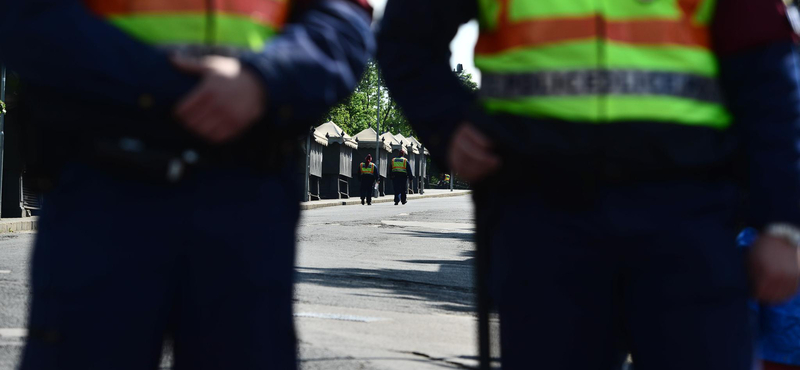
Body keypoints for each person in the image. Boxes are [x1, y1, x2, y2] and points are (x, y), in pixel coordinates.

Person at [378, 0, 800, 369]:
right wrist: (447, 124)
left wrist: (780, 222)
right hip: (542, 214)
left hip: (687, 214)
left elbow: (768, 75)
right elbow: (404, 37)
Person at [0, 0, 373, 369]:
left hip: (247, 187)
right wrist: (181, 85)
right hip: (103, 178)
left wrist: (265, 77)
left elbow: (343, 19)